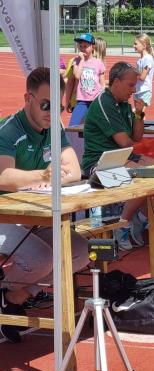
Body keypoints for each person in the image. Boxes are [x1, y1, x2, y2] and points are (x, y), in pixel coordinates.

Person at [0, 67, 89, 343]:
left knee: (80, 251)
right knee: (41, 258)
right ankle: (9, 293)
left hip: (36, 215)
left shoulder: (55, 128)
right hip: (6, 216)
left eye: (58, 106)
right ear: (28, 98)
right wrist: (43, 175)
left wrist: (44, 178)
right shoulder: (9, 130)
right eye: (45, 105)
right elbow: (5, 176)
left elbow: (74, 169)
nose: (51, 112)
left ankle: (14, 296)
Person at [82, 61, 154, 251]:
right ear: (116, 82)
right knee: (147, 176)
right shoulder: (104, 103)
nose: (134, 90)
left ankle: (138, 220)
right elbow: (125, 142)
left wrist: (139, 113)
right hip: (99, 164)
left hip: (121, 158)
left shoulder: (123, 104)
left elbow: (137, 136)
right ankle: (123, 223)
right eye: (131, 85)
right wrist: (134, 158)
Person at [68, 33, 106, 126]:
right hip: (82, 101)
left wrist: (102, 98)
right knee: (73, 126)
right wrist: (81, 60)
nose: (82, 48)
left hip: (95, 100)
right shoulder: (76, 61)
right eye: (80, 46)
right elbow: (77, 75)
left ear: (93, 47)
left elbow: (102, 83)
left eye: (85, 46)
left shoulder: (98, 63)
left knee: (96, 126)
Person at [133, 33, 154, 109]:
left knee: (138, 115)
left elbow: (142, 77)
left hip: (144, 90)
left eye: (136, 44)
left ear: (144, 45)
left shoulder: (148, 59)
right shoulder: (140, 60)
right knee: (137, 115)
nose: (134, 46)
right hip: (138, 90)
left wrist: (132, 74)